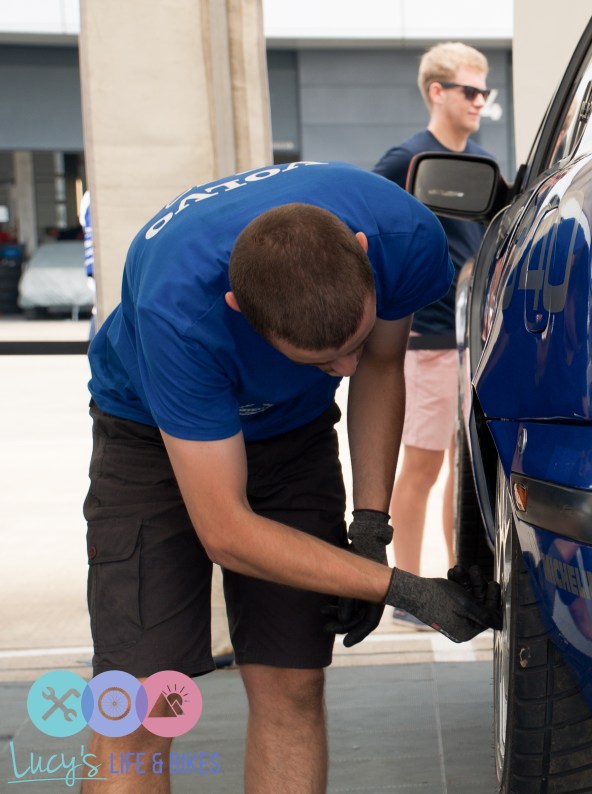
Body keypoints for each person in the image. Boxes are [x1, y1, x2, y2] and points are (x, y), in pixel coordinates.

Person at [83, 160, 499, 793]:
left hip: (291, 436)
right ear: (238, 310)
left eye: (353, 339)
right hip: (153, 435)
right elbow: (227, 531)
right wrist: (402, 589)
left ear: (362, 257)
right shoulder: (178, 312)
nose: (344, 367)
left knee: (292, 681)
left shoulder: (400, 235)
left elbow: (381, 367)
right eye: (321, 358)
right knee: (140, 700)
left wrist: (368, 527)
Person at [372, 42, 493, 627]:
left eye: (484, 92)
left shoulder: (481, 164)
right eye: (469, 91)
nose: (479, 102)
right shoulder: (407, 161)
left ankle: (452, 582)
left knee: (458, 463)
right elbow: (363, 228)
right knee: (420, 465)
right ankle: (407, 594)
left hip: (470, 339)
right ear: (436, 92)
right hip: (426, 339)